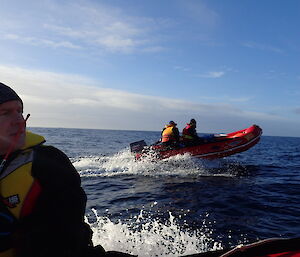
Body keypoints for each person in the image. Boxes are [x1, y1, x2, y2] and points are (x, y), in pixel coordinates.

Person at [0, 83, 134, 257]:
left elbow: (67, 241)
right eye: (5, 113)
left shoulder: (48, 165)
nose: (20, 121)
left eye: (20, 111)